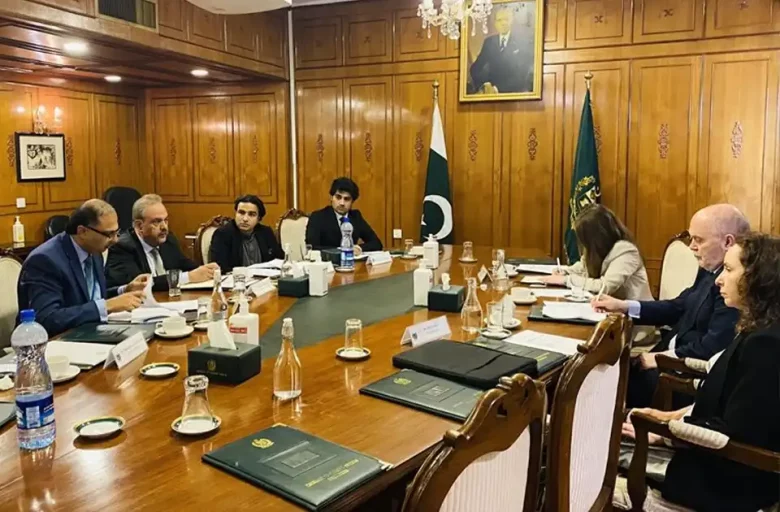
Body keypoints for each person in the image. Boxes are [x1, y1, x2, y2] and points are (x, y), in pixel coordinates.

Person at [618, 233, 780, 511]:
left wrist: (664, 431)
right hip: (708, 456)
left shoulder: (766, 345)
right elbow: (725, 400)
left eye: (728, 270)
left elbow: (737, 434)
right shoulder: (759, 329)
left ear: (757, 279)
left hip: (725, 486)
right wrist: (667, 416)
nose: (718, 280)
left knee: (591, 462)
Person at [592, 204, 749, 408]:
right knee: (598, 372)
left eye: (699, 240)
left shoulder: (734, 286)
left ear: (728, 241)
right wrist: (624, 306)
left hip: (679, 375)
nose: (691, 246)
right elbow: (679, 306)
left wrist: (660, 358)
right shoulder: (709, 270)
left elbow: (713, 346)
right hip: (665, 356)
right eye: (691, 238)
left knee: (597, 386)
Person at [17, 199, 148, 336]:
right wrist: (107, 306)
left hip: (88, 333)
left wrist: (124, 290)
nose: (116, 240)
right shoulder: (45, 261)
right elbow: (47, 319)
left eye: (117, 232)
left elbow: (88, 298)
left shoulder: (94, 251)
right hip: (57, 341)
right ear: (82, 231)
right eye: (109, 234)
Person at [539, 205, 653, 302]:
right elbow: (582, 268)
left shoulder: (626, 251)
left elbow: (605, 287)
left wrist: (566, 280)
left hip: (633, 318)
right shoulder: (597, 250)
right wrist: (564, 272)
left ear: (597, 237)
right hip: (607, 311)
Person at [106, 194, 217, 292]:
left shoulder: (168, 240)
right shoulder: (122, 247)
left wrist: (207, 270)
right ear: (139, 226)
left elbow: (186, 265)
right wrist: (188, 277)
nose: (164, 227)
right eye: (157, 222)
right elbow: (138, 284)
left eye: (166, 220)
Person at [305, 177, 383, 255]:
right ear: (331, 198)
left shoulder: (355, 216)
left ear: (352, 201)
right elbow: (312, 247)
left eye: (347, 199)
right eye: (338, 197)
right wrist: (342, 250)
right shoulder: (317, 217)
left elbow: (376, 243)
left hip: (351, 261)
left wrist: (359, 248)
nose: (342, 203)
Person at [209, 194, 283, 273]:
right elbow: (220, 268)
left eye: (251, 214)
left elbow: (279, 260)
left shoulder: (266, 233)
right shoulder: (223, 234)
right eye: (241, 213)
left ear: (259, 219)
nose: (245, 219)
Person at [468, 7, 534, 95]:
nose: (503, 23)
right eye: (499, 20)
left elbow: (522, 74)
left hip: (514, 94)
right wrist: (485, 85)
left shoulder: (522, 42)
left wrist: (497, 89)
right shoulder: (489, 42)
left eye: (506, 19)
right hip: (490, 94)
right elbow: (475, 69)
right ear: (495, 23)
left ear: (511, 21)